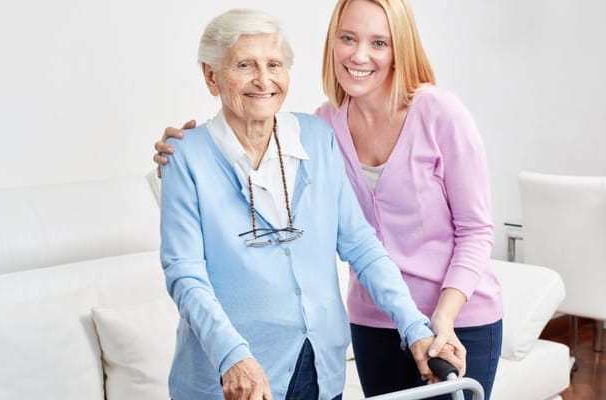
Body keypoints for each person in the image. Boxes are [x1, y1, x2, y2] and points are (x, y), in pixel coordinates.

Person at [154, 1, 502, 399]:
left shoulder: (316, 137)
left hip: (319, 366)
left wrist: (416, 327)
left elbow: (362, 245)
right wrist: (233, 356)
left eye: (274, 64)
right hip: (232, 380)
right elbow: (185, 275)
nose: (263, 80)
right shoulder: (187, 156)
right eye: (244, 65)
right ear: (211, 76)